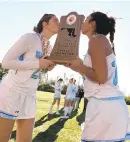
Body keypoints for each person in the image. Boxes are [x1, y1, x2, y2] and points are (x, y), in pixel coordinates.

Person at [64, 11, 130, 141]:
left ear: (92, 24)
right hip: (107, 104)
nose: (82, 23)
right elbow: (95, 74)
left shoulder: (97, 40)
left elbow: (101, 78)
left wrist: (80, 66)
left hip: (104, 105)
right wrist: (77, 67)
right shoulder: (100, 41)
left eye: (86, 19)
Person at [0, 14, 59, 142]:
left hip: (30, 95)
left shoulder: (50, 47)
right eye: (55, 20)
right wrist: (38, 63)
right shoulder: (30, 37)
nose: (59, 23)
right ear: (44, 23)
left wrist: (47, 67)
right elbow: (6, 62)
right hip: (12, 92)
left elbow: (36, 71)